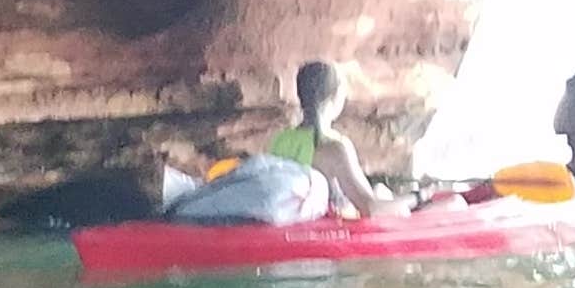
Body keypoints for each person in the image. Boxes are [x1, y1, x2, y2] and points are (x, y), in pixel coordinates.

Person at [162, 59, 403, 226]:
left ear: (301, 96)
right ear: (336, 97)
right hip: (323, 226)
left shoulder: (282, 139)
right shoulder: (335, 148)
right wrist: (416, 199)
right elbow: (369, 209)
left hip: (288, 222)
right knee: (385, 195)